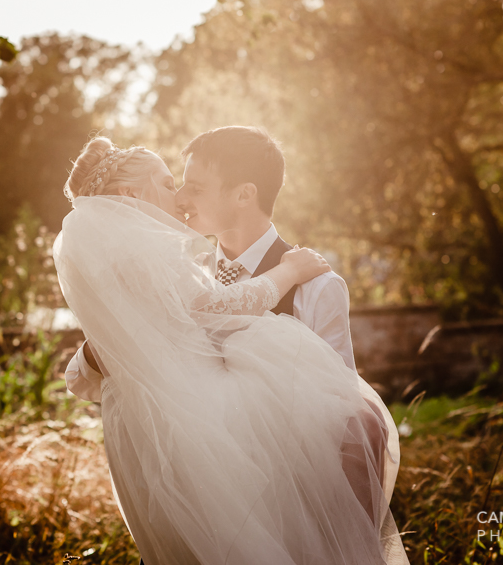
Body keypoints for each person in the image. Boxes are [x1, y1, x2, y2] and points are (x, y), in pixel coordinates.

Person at [55, 136, 405, 564]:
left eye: (193, 187)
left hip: (293, 511)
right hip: (186, 481)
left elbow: (344, 415)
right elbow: (79, 376)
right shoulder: (176, 268)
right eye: (173, 184)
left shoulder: (317, 284)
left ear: (244, 194)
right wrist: (117, 340)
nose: (182, 198)